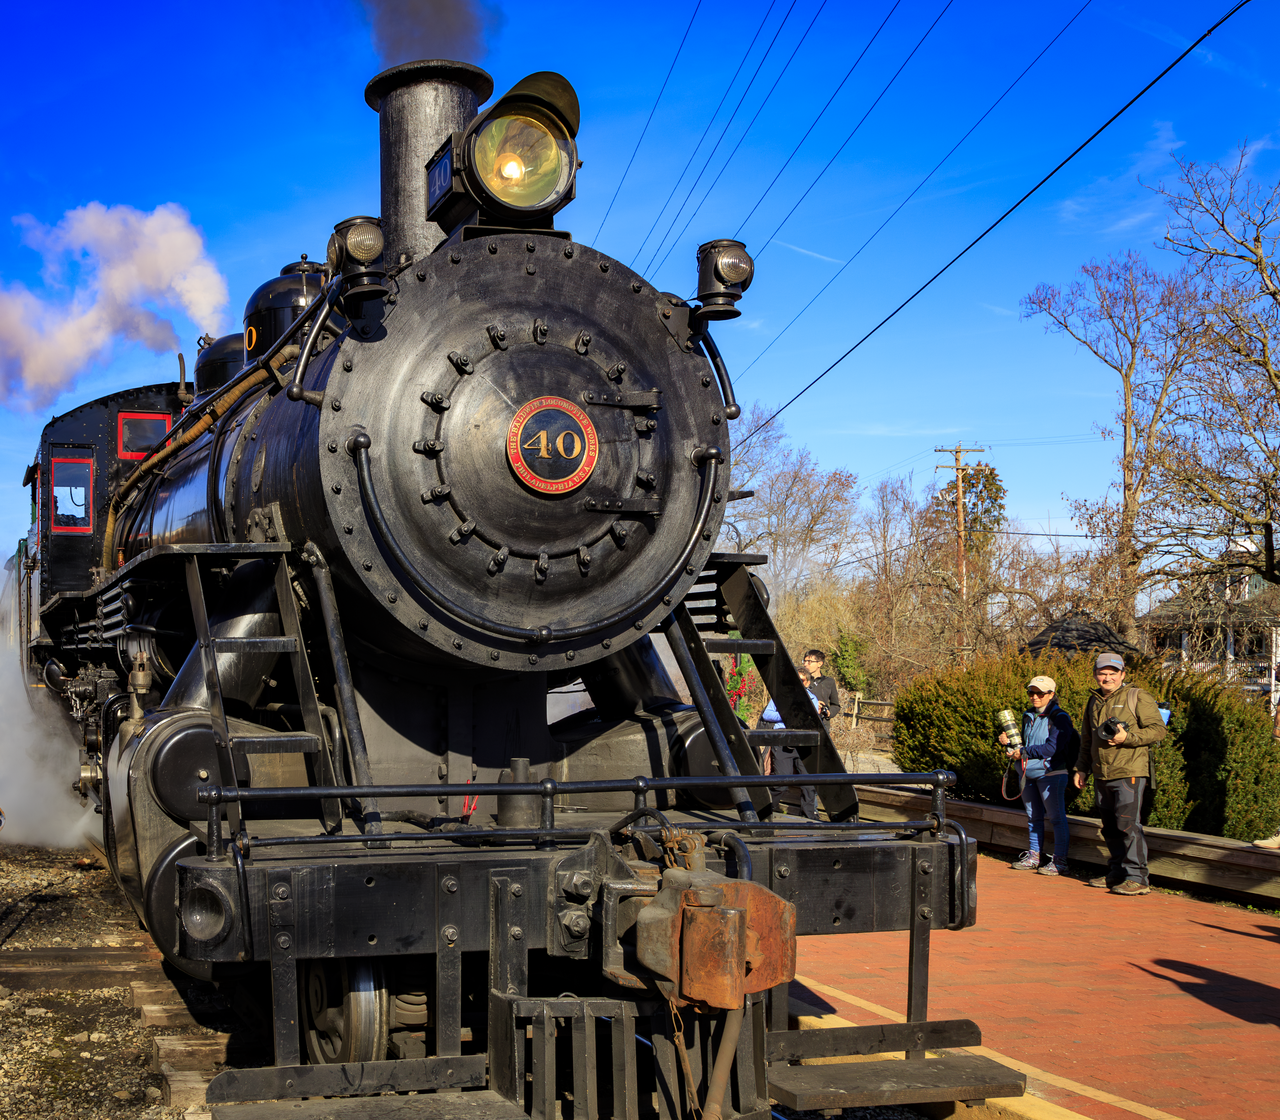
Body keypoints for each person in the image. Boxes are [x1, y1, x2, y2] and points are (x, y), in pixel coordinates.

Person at [1073, 653, 1167, 896]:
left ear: (1122, 675)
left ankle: (1137, 878)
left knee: (1127, 825)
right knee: (1110, 827)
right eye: (1102, 673)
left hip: (1130, 771)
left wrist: (1128, 738)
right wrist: (1081, 768)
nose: (1107, 678)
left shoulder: (1137, 696)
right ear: (1095, 675)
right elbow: (1087, 739)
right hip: (1101, 773)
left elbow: (1158, 731)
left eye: (1112, 673)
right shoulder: (1093, 701)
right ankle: (1116, 873)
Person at [997, 675, 1075, 876]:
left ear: (1051, 694)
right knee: (1033, 818)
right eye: (1031, 692)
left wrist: (1023, 752)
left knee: (1057, 818)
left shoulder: (1060, 718)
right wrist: (1010, 744)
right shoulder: (1027, 715)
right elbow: (1024, 745)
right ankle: (1034, 857)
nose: (1035, 697)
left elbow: (1052, 748)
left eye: (1040, 693)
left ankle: (1060, 862)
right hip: (1027, 773)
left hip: (1052, 773)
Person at [759, 669, 820, 819]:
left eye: (803, 680)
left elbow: (813, 719)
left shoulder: (812, 699)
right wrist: (787, 715)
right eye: (797, 680)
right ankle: (764, 810)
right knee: (781, 783)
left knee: (809, 784)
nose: (800, 683)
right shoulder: (781, 697)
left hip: (804, 744)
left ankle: (809, 818)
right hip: (783, 741)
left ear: (808, 682)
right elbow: (767, 714)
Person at [802, 650, 840, 726]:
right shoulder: (801, 680)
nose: (805, 664)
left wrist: (829, 713)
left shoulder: (829, 682)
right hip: (803, 722)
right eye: (804, 661)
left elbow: (835, 705)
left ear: (819, 663)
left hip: (822, 725)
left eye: (809, 661)